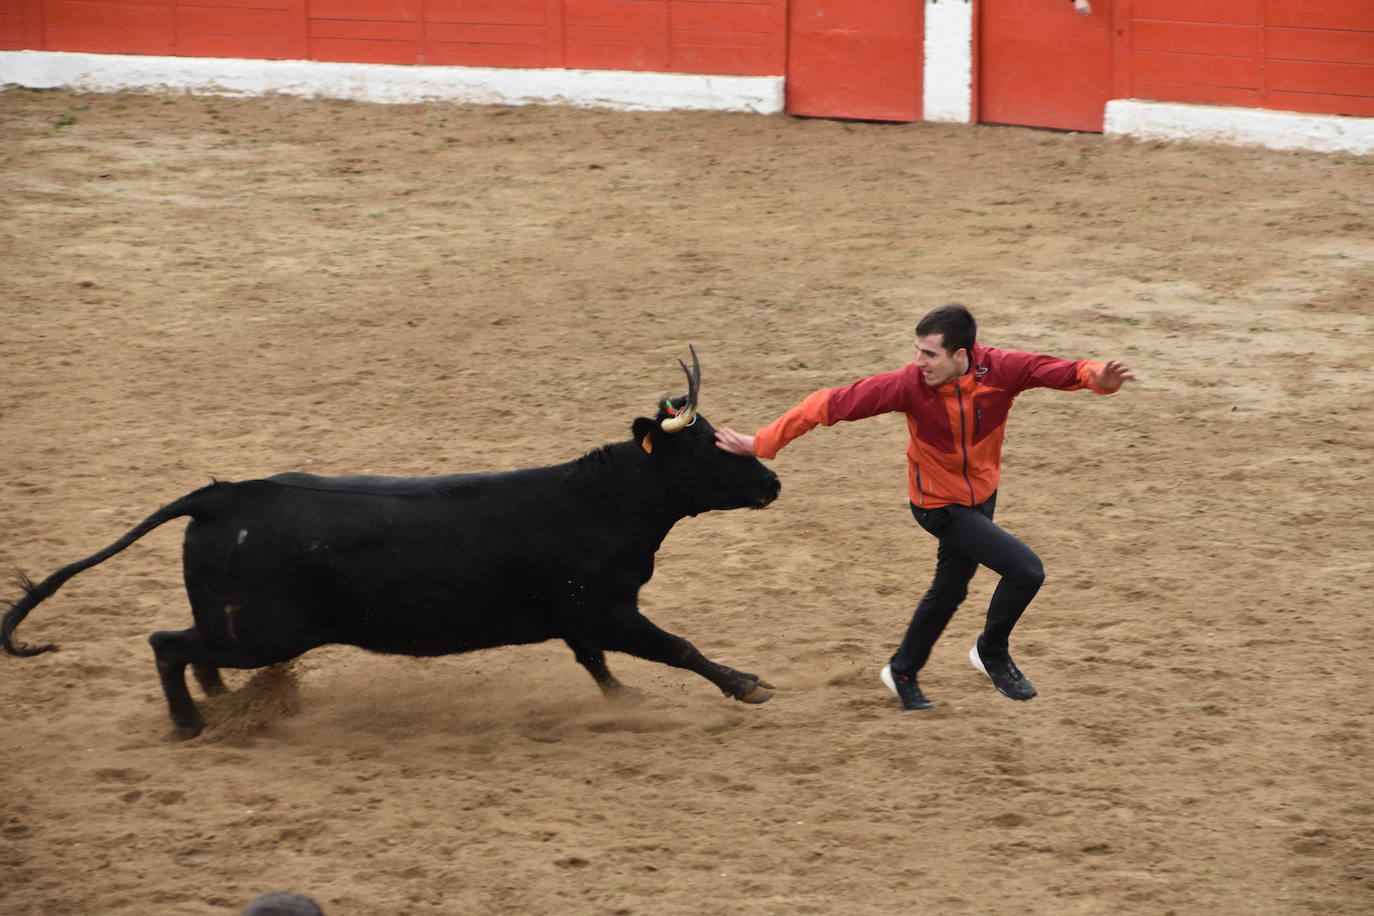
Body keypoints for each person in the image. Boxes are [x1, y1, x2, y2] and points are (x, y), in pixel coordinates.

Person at [714, 304, 1133, 711]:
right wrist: (762, 443)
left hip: (982, 497)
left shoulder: (1002, 370)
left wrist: (1099, 380)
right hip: (939, 506)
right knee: (1026, 571)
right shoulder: (906, 385)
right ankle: (991, 652)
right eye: (917, 350)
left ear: (961, 355)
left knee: (949, 591)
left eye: (929, 353)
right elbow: (827, 403)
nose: (919, 362)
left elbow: (1066, 371)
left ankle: (903, 671)